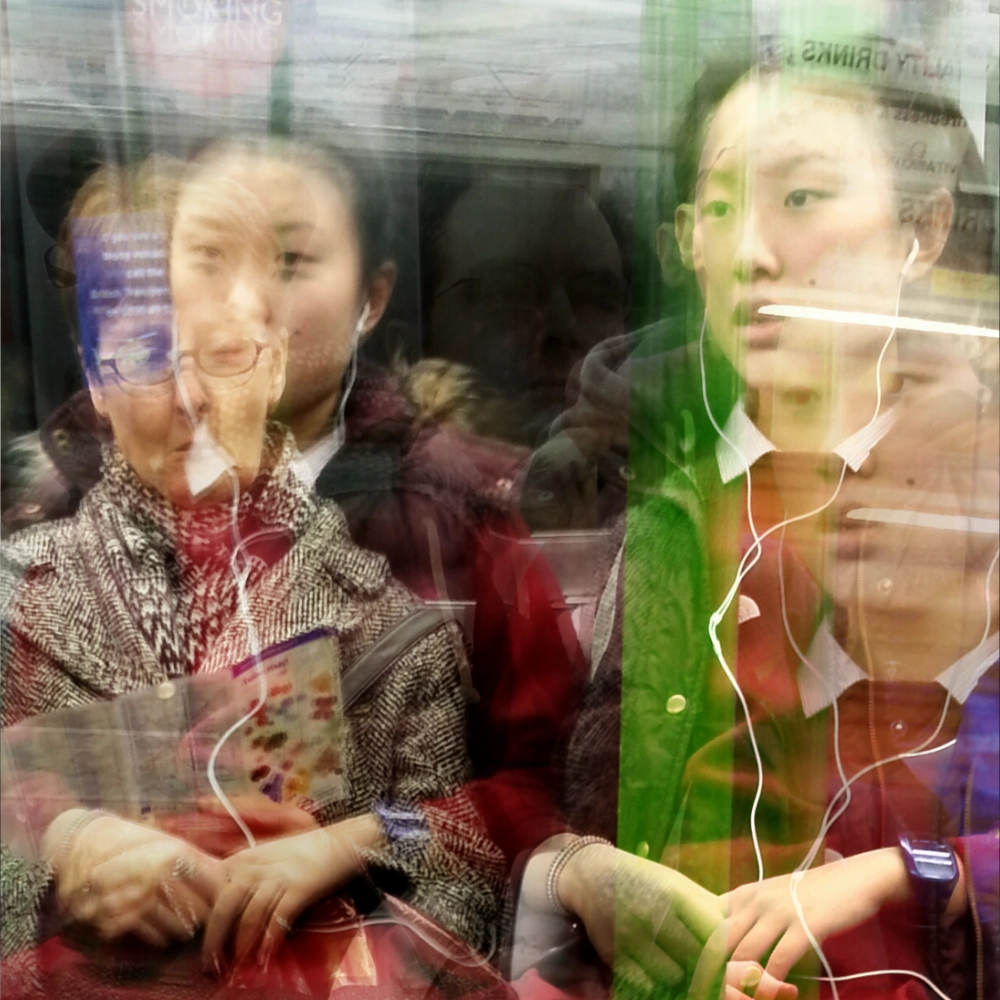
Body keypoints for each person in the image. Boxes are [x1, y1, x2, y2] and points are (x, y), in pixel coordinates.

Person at [513, 43, 997, 1000]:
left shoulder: (977, 493)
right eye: (720, 209)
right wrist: (574, 873)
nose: (750, 252)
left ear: (924, 230)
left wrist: (915, 875)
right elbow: (492, 792)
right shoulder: (598, 492)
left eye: (803, 198)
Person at [0, 155, 506, 997]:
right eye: (149, 355)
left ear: (275, 363)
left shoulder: (388, 625)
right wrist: (60, 856)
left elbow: (465, 865)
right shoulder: (16, 603)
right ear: (95, 377)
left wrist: (345, 853)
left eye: (225, 353)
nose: (192, 396)